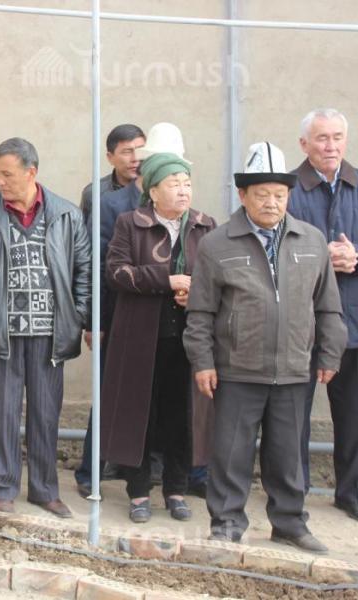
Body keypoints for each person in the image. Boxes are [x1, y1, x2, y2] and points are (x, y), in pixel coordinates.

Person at [184, 142, 346, 553]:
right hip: (237, 369)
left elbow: (328, 306)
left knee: (288, 455)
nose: (271, 203)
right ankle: (226, 522)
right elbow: (200, 312)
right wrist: (203, 362)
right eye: (262, 194)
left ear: (288, 196)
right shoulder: (218, 244)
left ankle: (290, 523)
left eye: (279, 194)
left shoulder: (311, 241)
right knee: (231, 453)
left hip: (293, 369)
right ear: (243, 195)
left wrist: (330, 352)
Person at [0, 138, 90, 516]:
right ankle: (3, 488)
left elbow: (84, 271)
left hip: (50, 335)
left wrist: (76, 315)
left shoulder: (66, 214)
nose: (0, 181)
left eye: (7, 174)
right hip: (2, 333)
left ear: (31, 172)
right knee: (2, 414)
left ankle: (45, 490)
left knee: (46, 415)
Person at [75, 122, 190, 499]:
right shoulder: (111, 204)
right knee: (113, 397)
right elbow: (98, 266)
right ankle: (91, 471)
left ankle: (157, 474)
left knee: (166, 402)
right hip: (121, 315)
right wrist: (95, 320)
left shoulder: (188, 213)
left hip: (171, 322)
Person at [101, 152, 215, 523]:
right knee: (141, 415)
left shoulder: (204, 225)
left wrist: (194, 293)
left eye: (187, 183)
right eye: (173, 184)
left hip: (187, 339)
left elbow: (216, 279)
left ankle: (176, 490)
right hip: (140, 338)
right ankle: (138, 492)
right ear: (153, 191)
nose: (183, 191)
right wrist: (165, 280)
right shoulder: (130, 223)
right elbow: (116, 273)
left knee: (180, 416)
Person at [287, 108, 358, 522]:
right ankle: (291, 494)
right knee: (291, 415)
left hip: (355, 320)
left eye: (337, 137)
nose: (331, 146)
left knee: (356, 413)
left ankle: (353, 494)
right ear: (304, 144)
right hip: (299, 321)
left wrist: (357, 255)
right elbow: (272, 247)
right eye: (321, 138)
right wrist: (320, 258)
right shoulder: (287, 190)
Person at [79, 123, 145, 222]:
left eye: (141, 150)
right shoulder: (95, 193)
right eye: (127, 152)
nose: (135, 159)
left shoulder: (157, 188)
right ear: (110, 158)